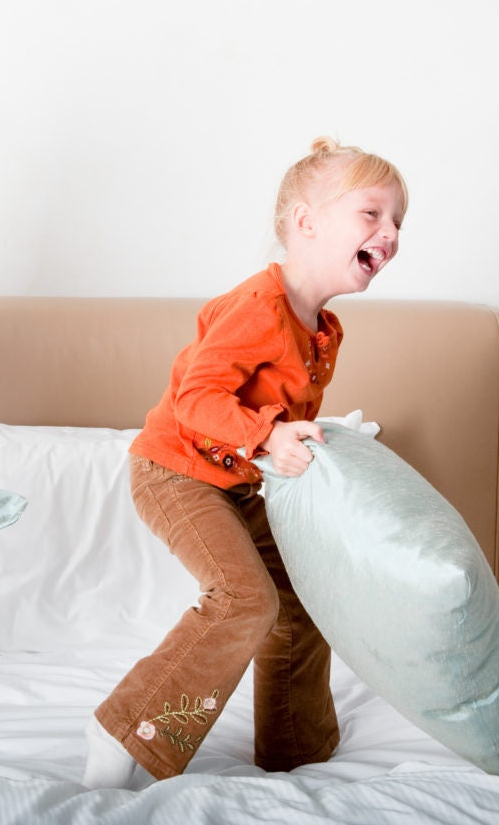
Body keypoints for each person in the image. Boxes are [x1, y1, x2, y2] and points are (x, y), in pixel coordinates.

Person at [83, 137, 408, 788]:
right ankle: (131, 727)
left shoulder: (323, 329)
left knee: (302, 593)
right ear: (305, 223)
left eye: (400, 220)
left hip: (235, 481)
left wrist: (287, 447)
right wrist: (266, 438)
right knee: (242, 599)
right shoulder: (259, 308)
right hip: (176, 473)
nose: (391, 232)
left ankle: (296, 748)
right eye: (372, 214)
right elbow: (196, 398)